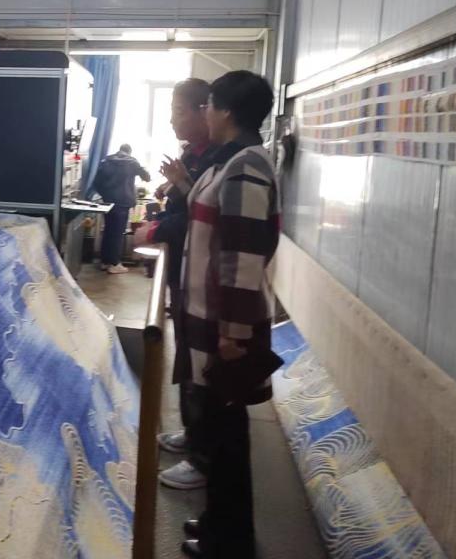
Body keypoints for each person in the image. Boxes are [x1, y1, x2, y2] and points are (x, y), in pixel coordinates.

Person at [180, 71, 280, 559]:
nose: (204, 113)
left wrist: (234, 334)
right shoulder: (231, 161)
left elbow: (243, 254)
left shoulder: (246, 166)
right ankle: (218, 523)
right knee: (220, 433)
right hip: (213, 319)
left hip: (227, 327)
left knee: (227, 438)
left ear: (226, 111)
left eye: (208, 105)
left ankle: (229, 543)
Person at [133, 79, 220, 491]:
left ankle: (203, 455)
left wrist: (155, 232)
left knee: (202, 361)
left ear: (209, 111)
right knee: (186, 351)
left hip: (203, 274)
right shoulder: (193, 155)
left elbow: (201, 219)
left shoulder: (225, 160)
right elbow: (186, 206)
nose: (172, 121)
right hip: (185, 269)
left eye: (179, 112)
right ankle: (193, 432)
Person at [93, 144, 150, 274]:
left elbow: (96, 182)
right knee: (118, 233)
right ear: (129, 151)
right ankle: (114, 264)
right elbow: (147, 177)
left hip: (107, 202)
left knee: (108, 231)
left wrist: (105, 194)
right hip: (123, 202)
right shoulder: (132, 162)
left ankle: (105, 262)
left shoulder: (106, 161)